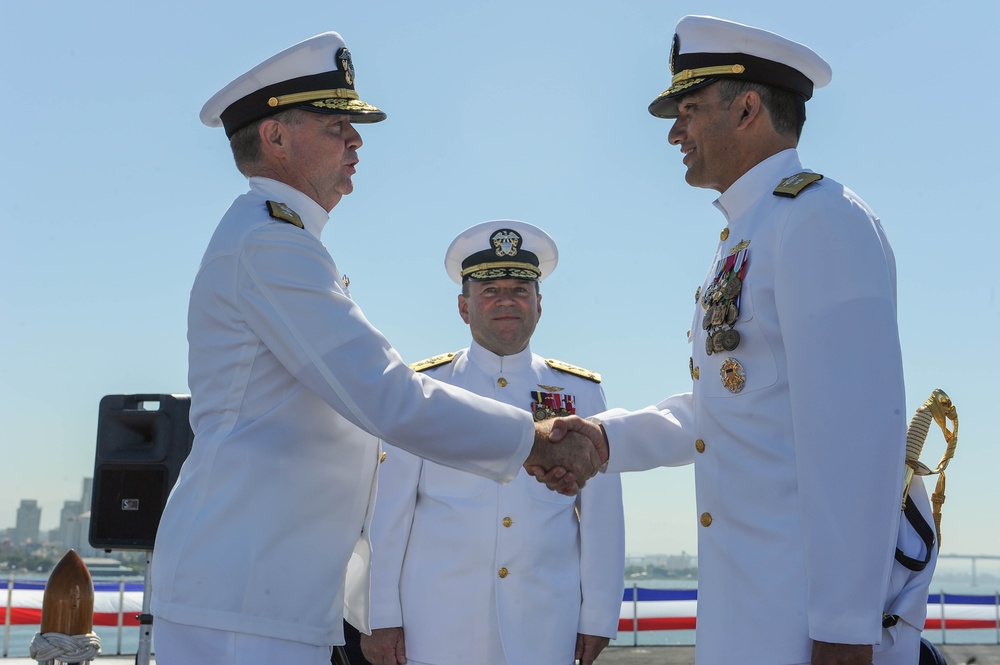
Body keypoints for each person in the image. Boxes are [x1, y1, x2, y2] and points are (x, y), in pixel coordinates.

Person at [148, 32, 606, 665]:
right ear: (275, 137)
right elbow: (386, 395)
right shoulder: (270, 245)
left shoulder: (282, 242)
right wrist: (532, 440)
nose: (356, 142)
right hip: (246, 591)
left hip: (271, 585)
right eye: (337, 126)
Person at [537, 14, 936, 665]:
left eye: (689, 109)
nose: (674, 132)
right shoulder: (750, 233)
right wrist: (609, 437)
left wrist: (845, 627)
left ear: (748, 107)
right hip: (750, 615)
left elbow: (857, 433)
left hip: (809, 626)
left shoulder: (821, 220)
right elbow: (727, 409)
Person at [360, 221, 625, 665]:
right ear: (464, 308)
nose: (506, 299)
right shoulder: (423, 389)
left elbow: (602, 516)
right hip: (438, 624)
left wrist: (598, 616)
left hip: (544, 622)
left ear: (540, 306)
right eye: (489, 290)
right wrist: (380, 614)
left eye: (520, 289)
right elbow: (388, 512)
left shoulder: (580, 394)